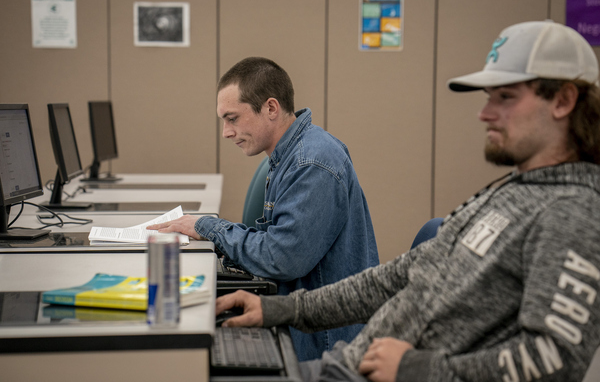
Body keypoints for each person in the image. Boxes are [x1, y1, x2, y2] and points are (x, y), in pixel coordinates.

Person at [214, 20, 600, 382]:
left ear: (563, 101)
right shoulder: (516, 191)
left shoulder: (572, 211)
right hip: (346, 366)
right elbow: (391, 280)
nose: (484, 113)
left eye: (506, 97)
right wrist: (282, 309)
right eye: (488, 98)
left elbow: (556, 360)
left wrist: (420, 368)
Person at [147, 57, 380, 361]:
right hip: (303, 321)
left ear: (271, 108)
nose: (226, 132)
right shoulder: (292, 154)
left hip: (323, 343)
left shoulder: (311, 163)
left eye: (233, 118)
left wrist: (209, 228)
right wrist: (208, 230)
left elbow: (280, 258)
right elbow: (275, 241)